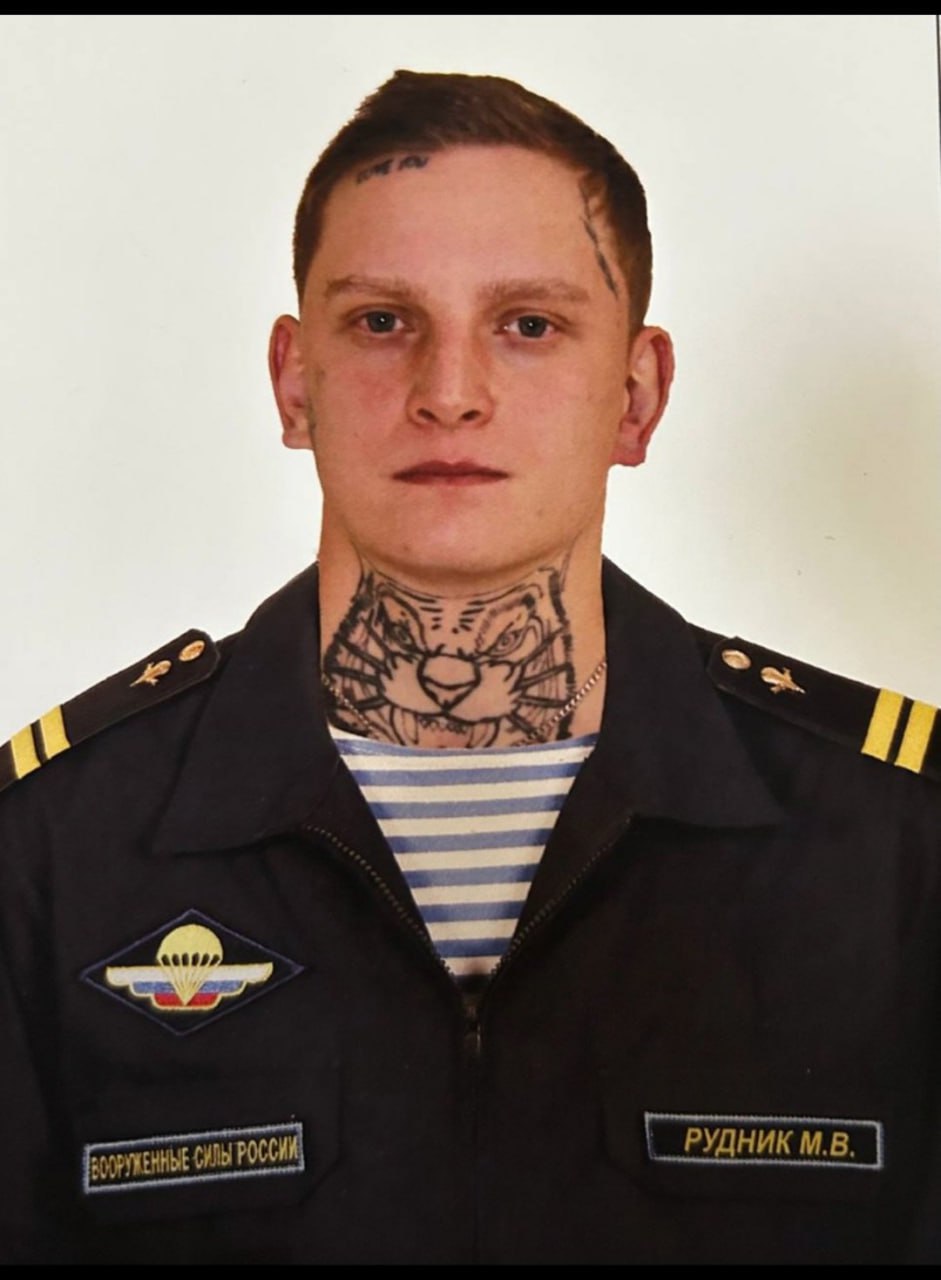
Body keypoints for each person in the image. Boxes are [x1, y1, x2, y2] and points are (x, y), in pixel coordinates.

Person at [1, 69, 939, 1266]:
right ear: (293, 381)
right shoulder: (47, 850)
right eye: (381, 321)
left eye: (528, 324)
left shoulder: (895, 842)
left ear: (636, 395)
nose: (448, 394)